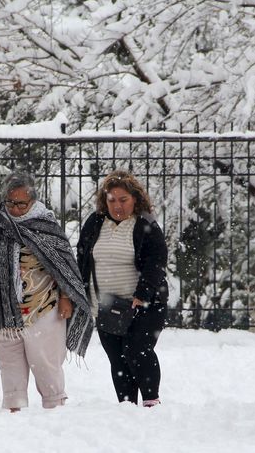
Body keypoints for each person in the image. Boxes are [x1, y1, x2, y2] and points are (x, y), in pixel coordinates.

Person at [0, 173, 93, 412]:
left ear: (33, 201)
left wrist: (66, 297)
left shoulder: (45, 225)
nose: (14, 208)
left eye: (21, 203)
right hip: (3, 308)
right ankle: (14, 409)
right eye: (10, 202)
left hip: (42, 306)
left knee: (46, 363)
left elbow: (63, 266)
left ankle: (54, 406)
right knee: (9, 364)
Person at [77, 170, 168, 407]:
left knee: (137, 350)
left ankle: (150, 401)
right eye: (112, 200)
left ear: (135, 199)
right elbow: (83, 258)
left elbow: (156, 262)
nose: (117, 205)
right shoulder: (95, 223)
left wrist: (142, 294)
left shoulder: (145, 224)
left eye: (123, 200)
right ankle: (126, 407)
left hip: (143, 305)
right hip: (105, 305)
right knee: (117, 360)